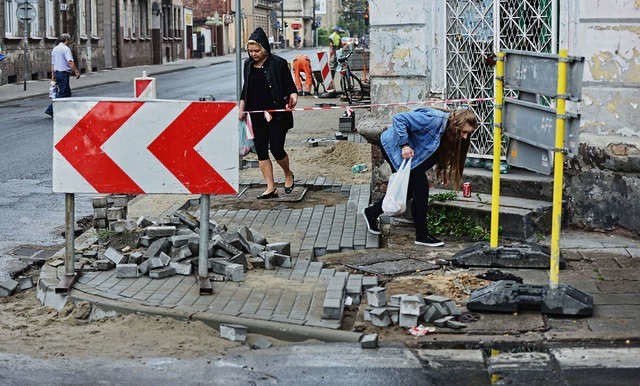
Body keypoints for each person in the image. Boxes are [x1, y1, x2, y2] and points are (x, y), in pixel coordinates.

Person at [362, 108, 478, 247]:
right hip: (394, 148)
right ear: (455, 124)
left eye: (468, 133)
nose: (465, 137)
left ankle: (372, 212)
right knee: (421, 189)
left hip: (413, 159)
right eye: (463, 132)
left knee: (409, 189)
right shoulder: (434, 119)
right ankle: (422, 235)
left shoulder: (448, 130)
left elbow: (437, 149)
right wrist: (404, 145)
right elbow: (400, 119)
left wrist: (442, 169)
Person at [239, 27, 298, 199]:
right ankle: (270, 187)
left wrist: (293, 98)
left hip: (277, 114)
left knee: (277, 149)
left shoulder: (278, 63)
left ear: (264, 48)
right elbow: (246, 89)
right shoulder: (248, 65)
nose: (253, 54)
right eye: (250, 51)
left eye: (256, 50)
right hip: (256, 115)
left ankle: (288, 173)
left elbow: (290, 87)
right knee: (262, 151)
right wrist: (241, 108)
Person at [44, 33, 80, 117]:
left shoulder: (55, 49)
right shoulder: (66, 49)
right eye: (69, 40)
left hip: (57, 73)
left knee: (67, 92)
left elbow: (53, 64)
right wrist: (76, 71)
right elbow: (70, 62)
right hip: (63, 74)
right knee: (63, 93)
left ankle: (65, 109)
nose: (69, 42)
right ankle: (51, 110)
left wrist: (53, 76)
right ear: (66, 40)